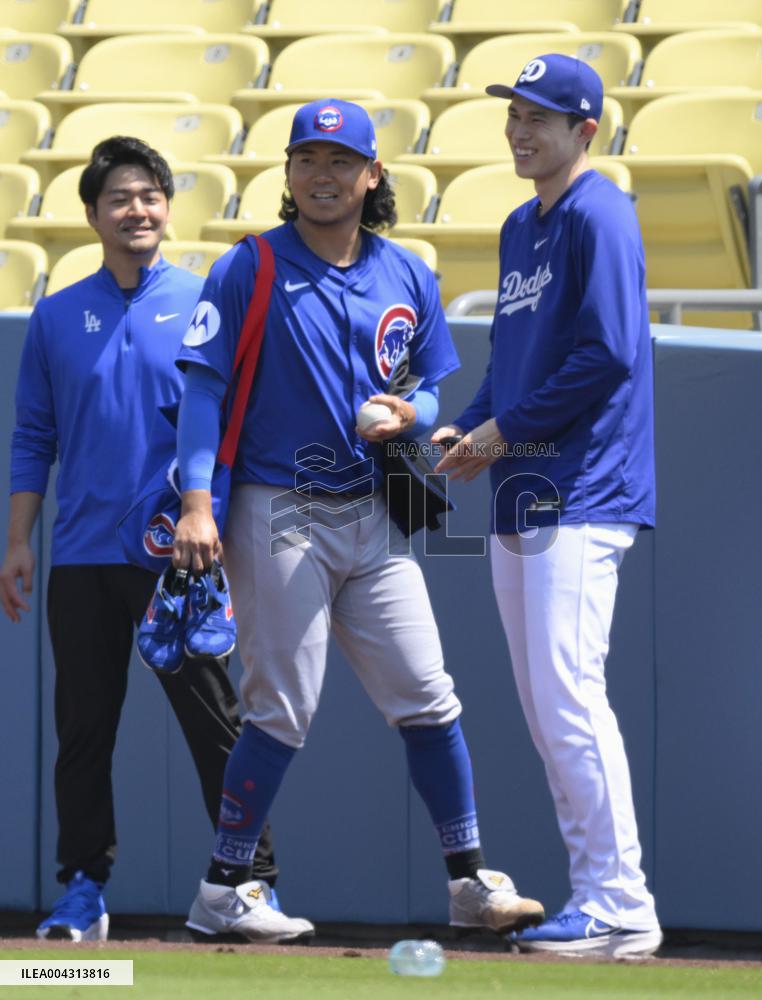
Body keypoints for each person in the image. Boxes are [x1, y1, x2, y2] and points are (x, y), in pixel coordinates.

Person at [170, 98, 545, 942]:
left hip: (373, 511)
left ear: (373, 174)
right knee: (281, 708)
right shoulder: (251, 264)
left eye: (341, 161)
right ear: (289, 173)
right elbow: (202, 386)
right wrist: (198, 501)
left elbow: (429, 386)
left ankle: (468, 881)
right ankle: (224, 889)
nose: (322, 175)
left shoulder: (407, 271)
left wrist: (410, 415)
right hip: (280, 505)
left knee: (428, 694)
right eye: (307, 158)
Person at [0, 136, 305, 943]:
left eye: (150, 195)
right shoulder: (58, 315)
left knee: (218, 725)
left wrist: (219, 525)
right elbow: (34, 436)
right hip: (83, 558)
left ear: (168, 207)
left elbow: (237, 425)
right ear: (93, 215)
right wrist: (19, 540)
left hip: (180, 557)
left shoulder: (206, 300)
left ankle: (248, 884)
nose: (137, 210)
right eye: (119, 199)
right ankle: (82, 891)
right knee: (83, 732)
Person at [433, 55, 662, 958]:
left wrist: (499, 436)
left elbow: (607, 352)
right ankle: (597, 897)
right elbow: (509, 357)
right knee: (544, 707)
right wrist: (470, 426)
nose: (522, 130)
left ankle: (619, 902)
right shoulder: (521, 228)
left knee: (569, 696)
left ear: (586, 131)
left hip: (582, 485)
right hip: (523, 487)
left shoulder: (600, 211)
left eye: (542, 116)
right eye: (515, 114)